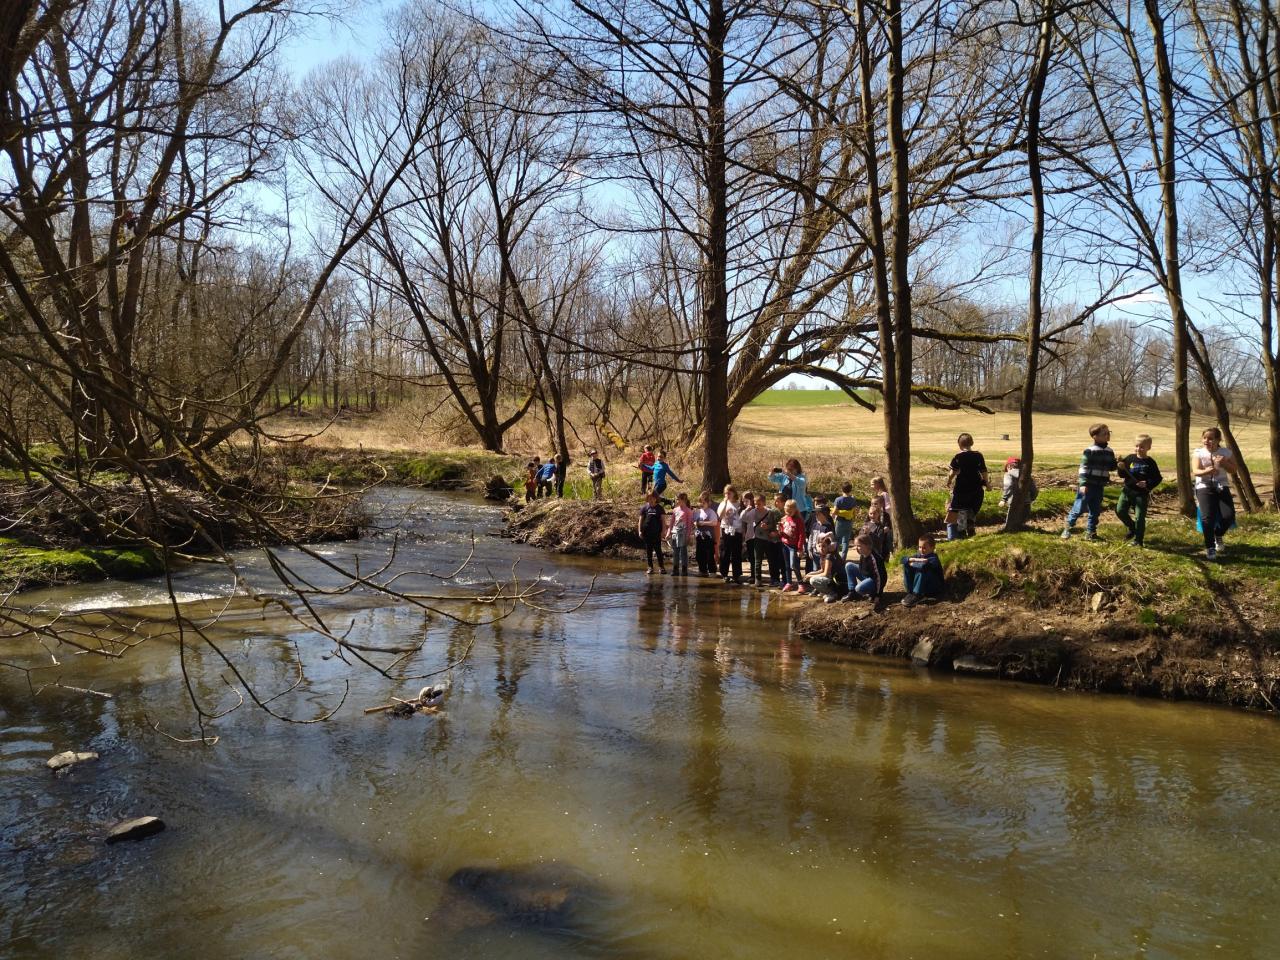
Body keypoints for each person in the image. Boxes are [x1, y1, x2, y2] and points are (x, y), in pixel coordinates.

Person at [1061, 423, 1117, 542]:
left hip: (1099, 486)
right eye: (1104, 433)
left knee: (1095, 510)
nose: (1108, 435)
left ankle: (1091, 532)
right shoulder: (1090, 451)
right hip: (1087, 485)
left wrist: (1118, 463)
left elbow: (1111, 467)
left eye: (1109, 433)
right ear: (1095, 436)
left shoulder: (1109, 451)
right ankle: (1067, 529)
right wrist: (1083, 484)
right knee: (1079, 507)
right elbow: (1083, 468)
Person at [1192, 426, 1238, 561]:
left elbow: (1233, 470)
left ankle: (1218, 534)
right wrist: (1207, 471)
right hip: (1204, 487)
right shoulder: (1198, 452)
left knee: (1229, 516)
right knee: (1207, 518)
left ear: (1218, 440)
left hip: (1221, 486)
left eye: (1211, 438)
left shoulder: (1226, 452)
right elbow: (1195, 471)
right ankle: (1210, 547)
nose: (1207, 441)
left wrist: (1224, 463)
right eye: (1204, 438)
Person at [1116, 434, 1162, 548]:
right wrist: (1120, 467)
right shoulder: (1130, 458)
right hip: (1127, 491)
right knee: (1120, 511)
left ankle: (1138, 540)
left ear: (1148, 448)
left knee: (1139, 517)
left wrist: (1147, 484)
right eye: (1136, 446)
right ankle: (1132, 528)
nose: (1138, 449)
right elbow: (1122, 474)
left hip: (1141, 495)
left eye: (1142, 447)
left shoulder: (1150, 462)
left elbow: (1158, 478)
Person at [946, 433, 988, 540]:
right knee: (972, 508)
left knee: (961, 509)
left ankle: (961, 532)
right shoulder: (978, 455)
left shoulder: (958, 457)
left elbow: (953, 472)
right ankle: (971, 526)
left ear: (959, 445)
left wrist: (949, 481)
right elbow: (983, 471)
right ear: (972, 443)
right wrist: (987, 483)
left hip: (962, 488)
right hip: (976, 487)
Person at [901, 534, 944, 607]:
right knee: (906, 566)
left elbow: (923, 566)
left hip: (934, 587)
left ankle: (917, 594)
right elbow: (903, 560)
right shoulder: (919, 555)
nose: (921, 550)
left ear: (932, 548)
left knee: (921, 569)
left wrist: (912, 563)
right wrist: (914, 559)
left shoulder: (934, 558)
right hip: (923, 586)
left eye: (924, 548)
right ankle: (911, 592)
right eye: (920, 547)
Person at [842, 532, 887, 602]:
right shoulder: (863, 554)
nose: (856, 548)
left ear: (867, 545)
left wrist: (878, 595)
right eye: (855, 546)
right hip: (867, 576)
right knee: (849, 565)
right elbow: (862, 569)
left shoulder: (874, 559)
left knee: (859, 588)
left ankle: (873, 593)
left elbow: (880, 578)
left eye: (859, 546)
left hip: (874, 580)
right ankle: (852, 592)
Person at [717, 484, 745, 584]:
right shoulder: (723, 503)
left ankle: (736, 575)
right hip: (726, 530)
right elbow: (720, 516)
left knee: (736, 553)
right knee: (725, 552)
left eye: (729, 493)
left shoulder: (739, 504)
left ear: (734, 493)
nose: (727, 495)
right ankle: (724, 573)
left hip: (737, 531)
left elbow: (743, 518)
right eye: (725, 493)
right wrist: (725, 503)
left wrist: (743, 532)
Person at [779, 499, 807, 593]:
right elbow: (782, 533)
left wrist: (800, 548)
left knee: (794, 565)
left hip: (794, 546)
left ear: (795, 509)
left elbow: (802, 535)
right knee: (787, 565)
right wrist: (779, 530)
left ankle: (800, 583)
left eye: (790, 511)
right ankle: (789, 582)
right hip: (785, 544)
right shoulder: (784, 519)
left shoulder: (799, 520)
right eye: (787, 511)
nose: (788, 513)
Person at [739, 491, 767, 586]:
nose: (745, 503)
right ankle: (753, 575)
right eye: (743, 501)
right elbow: (742, 518)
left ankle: (757, 577)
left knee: (757, 557)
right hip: (750, 536)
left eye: (747, 501)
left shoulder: (763, 510)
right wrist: (746, 510)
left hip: (760, 536)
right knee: (751, 557)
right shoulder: (750, 511)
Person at [804, 538, 844, 603]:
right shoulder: (822, 556)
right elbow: (822, 570)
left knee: (813, 580)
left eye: (824, 546)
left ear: (828, 546)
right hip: (833, 580)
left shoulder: (829, 556)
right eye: (819, 546)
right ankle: (826, 591)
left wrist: (810, 576)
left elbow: (825, 573)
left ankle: (833, 594)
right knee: (812, 576)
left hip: (839, 582)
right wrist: (811, 573)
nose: (821, 548)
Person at [999, 457, 1038, 524]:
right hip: (1026, 501)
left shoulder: (1008, 474)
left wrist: (1004, 499)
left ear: (1009, 466)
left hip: (1013, 502)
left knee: (1011, 522)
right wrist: (1032, 498)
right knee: (1022, 522)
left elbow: (1008, 485)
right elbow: (1034, 489)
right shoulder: (1026, 475)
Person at [760, 493, 786, 587]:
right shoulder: (772, 511)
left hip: (782, 540)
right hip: (772, 540)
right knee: (772, 561)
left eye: (777, 501)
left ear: (783, 502)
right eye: (774, 500)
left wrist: (778, 533)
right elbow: (771, 524)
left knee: (782, 561)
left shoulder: (787, 511)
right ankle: (774, 579)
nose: (775, 503)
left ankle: (785, 580)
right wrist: (766, 527)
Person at [637, 492, 666, 575]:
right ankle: (650, 567)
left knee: (658, 550)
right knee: (648, 551)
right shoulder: (644, 508)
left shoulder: (660, 508)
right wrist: (639, 531)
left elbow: (663, 521)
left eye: (653, 498)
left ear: (656, 498)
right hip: (646, 533)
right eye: (649, 498)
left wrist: (663, 532)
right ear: (647, 499)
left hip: (656, 533)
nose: (651, 500)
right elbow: (640, 521)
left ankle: (661, 567)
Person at [667, 491, 695, 576]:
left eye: (678, 499)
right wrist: (668, 532)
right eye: (676, 499)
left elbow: (689, 525)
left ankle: (684, 569)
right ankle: (675, 569)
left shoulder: (688, 511)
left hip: (683, 533)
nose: (676, 501)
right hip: (675, 533)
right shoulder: (675, 510)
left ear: (684, 500)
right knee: (675, 552)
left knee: (683, 552)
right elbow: (671, 523)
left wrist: (688, 535)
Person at [693, 491, 720, 576]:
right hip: (699, 536)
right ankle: (702, 570)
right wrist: (695, 523)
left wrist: (704, 523)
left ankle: (712, 571)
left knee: (709, 554)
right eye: (700, 502)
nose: (701, 504)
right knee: (699, 554)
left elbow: (715, 522)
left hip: (709, 537)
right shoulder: (697, 512)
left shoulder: (711, 512)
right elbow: (694, 521)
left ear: (708, 503)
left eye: (703, 502)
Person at [833, 482, 858, 558]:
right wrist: (853, 519)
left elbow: (834, 511)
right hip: (849, 522)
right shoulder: (853, 500)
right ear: (851, 490)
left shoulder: (838, 499)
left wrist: (834, 515)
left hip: (840, 522)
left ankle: (836, 557)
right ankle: (843, 558)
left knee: (837, 539)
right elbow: (854, 512)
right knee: (846, 541)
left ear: (842, 489)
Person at [808, 504, 834, 573]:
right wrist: (809, 549)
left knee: (823, 570)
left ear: (824, 514)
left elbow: (830, 541)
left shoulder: (828, 526)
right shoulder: (814, 525)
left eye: (818, 514)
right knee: (815, 570)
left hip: (823, 554)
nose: (816, 516)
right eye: (815, 514)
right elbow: (811, 537)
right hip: (814, 552)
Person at [870, 475, 893, 550]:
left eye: (872, 484)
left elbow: (888, 506)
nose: (871, 486)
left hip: (884, 518)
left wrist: (883, 514)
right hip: (878, 517)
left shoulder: (884, 494)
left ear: (878, 484)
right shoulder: (878, 494)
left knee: (885, 535)